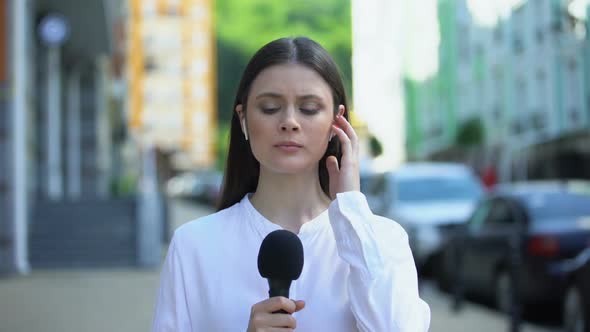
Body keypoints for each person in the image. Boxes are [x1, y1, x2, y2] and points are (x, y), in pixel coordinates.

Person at [151, 36, 430, 331]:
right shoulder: (194, 246)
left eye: (309, 108)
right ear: (243, 119)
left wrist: (352, 210)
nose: (289, 122)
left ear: (337, 123)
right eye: (270, 108)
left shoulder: (383, 241)